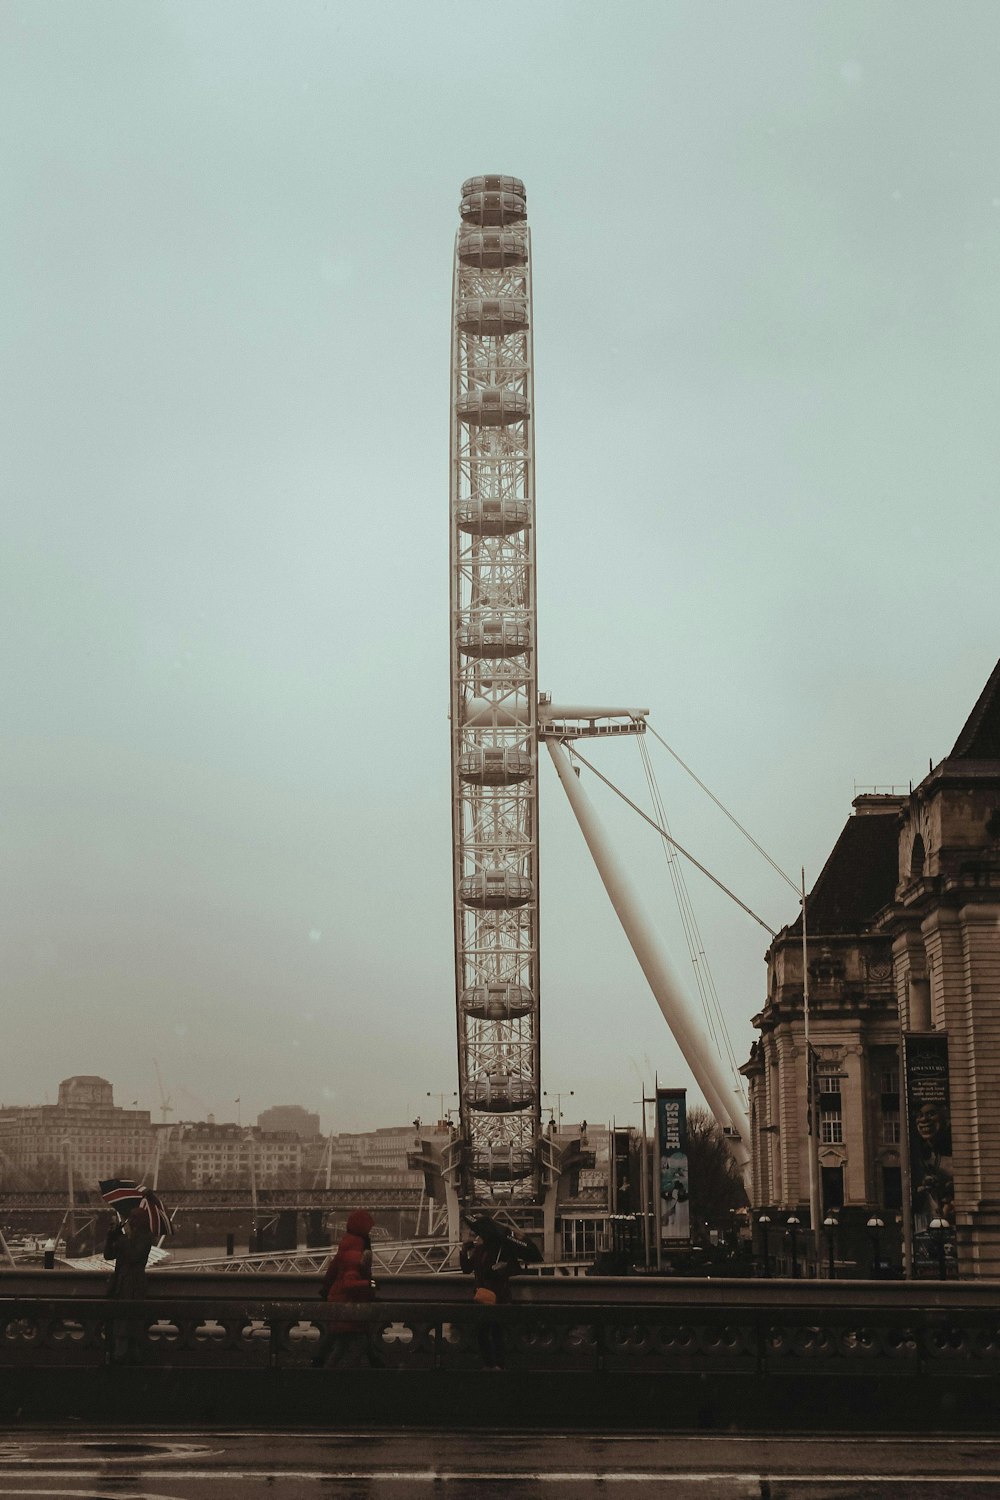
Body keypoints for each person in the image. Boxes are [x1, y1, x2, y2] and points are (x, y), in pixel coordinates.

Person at [312, 1209, 381, 1368]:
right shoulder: (356, 1252)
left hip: (338, 1299)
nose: (370, 1231)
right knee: (358, 1341)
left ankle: (319, 1365)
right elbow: (349, 1284)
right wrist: (371, 1285)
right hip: (349, 1303)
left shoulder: (346, 1245)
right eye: (368, 1228)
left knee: (339, 1340)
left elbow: (332, 1270)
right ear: (363, 1229)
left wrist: (326, 1288)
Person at [459, 1217, 525, 1370]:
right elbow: (466, 1269)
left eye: (480, 1234)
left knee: (496, 1332)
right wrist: (464, 1251)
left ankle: (498, 1364)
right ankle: (490, 1363)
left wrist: (503, 1267)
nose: (477, 1237)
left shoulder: (502, 1250)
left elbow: (515, 1269)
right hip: (482, 1296)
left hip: (498, 1297)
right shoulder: (479, 1250)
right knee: (482, 1332)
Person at [103, 1207, 153, 1364]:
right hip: (121, 1284)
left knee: (131, 1326)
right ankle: (119, 1356)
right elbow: (108, 1255)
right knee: (119, 1325)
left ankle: (128, 1358)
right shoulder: (126, 1238)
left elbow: (134, 1256)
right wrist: (111, 1236)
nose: (130, 1221)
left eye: (134, 1218)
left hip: (134, 1286)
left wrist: (122, 1239)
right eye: (130, 1217)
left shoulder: (146, 1237)